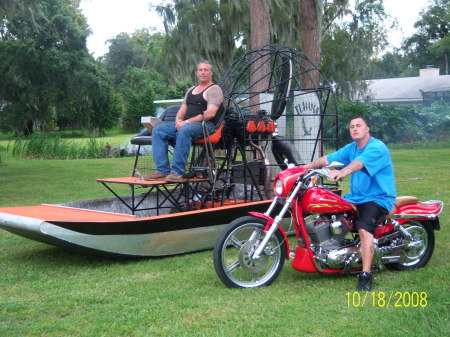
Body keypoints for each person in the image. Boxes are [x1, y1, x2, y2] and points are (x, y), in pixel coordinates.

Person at [303, 116, 396, 291]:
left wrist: (342, 172)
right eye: (352, 126)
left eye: (358, 125)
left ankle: (366, 274)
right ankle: (334, 249)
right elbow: (326, 160)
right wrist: (302, 169)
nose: (354, 128)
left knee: (364, 229)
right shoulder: (351, 147)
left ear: (367, 128)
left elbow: (358, 164)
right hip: (356, 197)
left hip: (378, 197)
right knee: (327, 212)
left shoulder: (377, 147)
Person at [144, 60, 224, 182]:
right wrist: (178, 121)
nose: (203, 72)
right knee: (158, 130)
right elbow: (182, 109)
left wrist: (186, 122)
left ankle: (176, 173)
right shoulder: (191, 89)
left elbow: (210, 113)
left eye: (206, 70)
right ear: (197, 72)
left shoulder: (214, 90)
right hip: (188, 124)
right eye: (200, 70)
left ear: (211, 73)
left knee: (185, 130)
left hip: (206, 125)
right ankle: (162, 170)